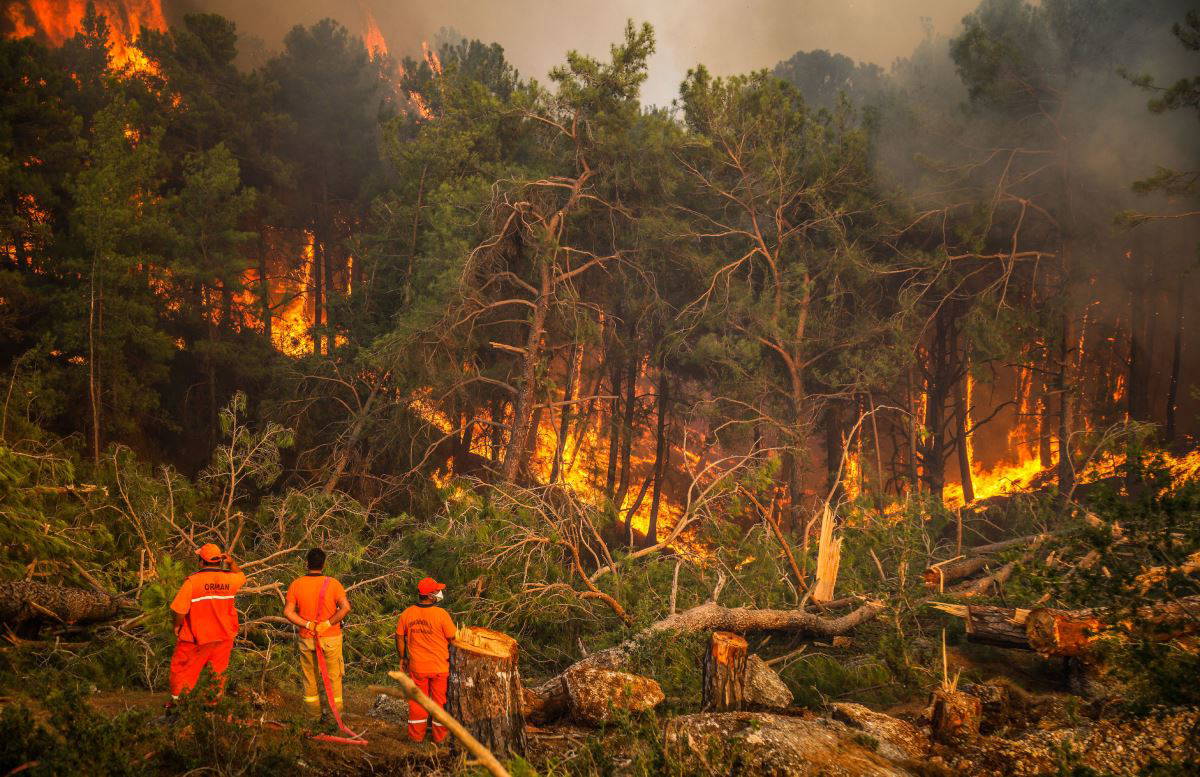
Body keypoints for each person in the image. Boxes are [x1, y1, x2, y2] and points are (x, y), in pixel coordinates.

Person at [168, 543, 246, 703]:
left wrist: (177, 626)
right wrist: (231, 563)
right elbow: (242, 576)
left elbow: (180, 610)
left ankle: (178, 708)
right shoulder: (230, 580)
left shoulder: (192, 582)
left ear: (201, 562)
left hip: (196, 639)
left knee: (181, 671)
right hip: (223, 637)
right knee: (217, 676)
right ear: (220, 561)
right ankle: (212, 710)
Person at [283, 548, 351, 720]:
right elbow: (345, 608)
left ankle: (312, 717)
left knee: (310, 679)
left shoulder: (296, 584)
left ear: (307, 563)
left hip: (307, 638)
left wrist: (307, 624)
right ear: (324, 564)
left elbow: (288, 612)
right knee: (334, 678)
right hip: (331, 638)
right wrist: (328, 623)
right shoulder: (334, 584)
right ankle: (336, 717)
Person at [396, 577, 457, 744]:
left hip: (418, 667)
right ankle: (440, 738)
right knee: (439, 703)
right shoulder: (441, 614)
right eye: (437, 590)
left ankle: (416, 738)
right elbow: (453, 638)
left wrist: (403, 657)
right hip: (440, 667)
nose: (439, 593)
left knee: (418, 703)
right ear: (431, 595)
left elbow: (400, 637)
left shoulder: (407, 613)